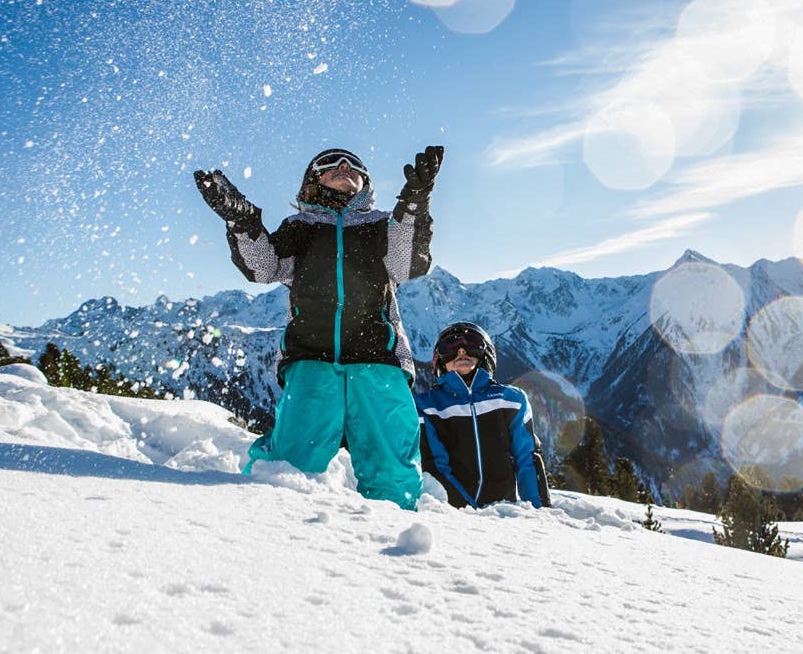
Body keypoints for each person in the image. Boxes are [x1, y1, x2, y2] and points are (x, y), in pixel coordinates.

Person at [194, 145, 443, 510]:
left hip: (379, 360)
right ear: (314, 181)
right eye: (331, 164)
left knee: (391, 462)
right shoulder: (300, 229)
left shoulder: (381, 226)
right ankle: (263, 526)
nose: (344, 167)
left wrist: (414, 202)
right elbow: (263, 267)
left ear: (365, 182)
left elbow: (407, 264)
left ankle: (394, 536)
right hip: (311, 359)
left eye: (353, 165)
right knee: (290, 460)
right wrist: (242, 219)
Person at [415, 322, 551, 509]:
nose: (461, 352)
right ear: (440, 360)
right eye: (450, 347)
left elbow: (526, 458)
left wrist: (538, 511)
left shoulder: (511, 400)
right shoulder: (427, 406)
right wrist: (468, 512)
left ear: (486, 355)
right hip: (454, 513)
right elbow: (434, 465)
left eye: (472, 344)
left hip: (503, 512)